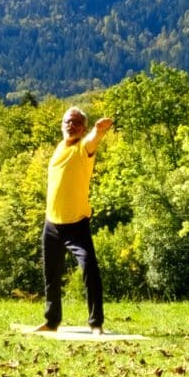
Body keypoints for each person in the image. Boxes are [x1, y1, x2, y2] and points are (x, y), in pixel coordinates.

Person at [38, 106, 113, 332]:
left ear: (83, 128)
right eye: (67, 122)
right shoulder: (60, 147)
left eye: (76, 123)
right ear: (62, 125)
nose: (71, 125)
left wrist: (99, 132)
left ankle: (95, 323)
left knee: (90, 269)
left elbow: (92, 141)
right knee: (51, 274)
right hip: (52, 223)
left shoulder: (83, 148)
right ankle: (52, 321)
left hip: (76, 224)